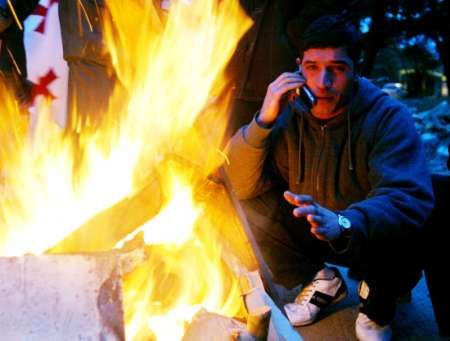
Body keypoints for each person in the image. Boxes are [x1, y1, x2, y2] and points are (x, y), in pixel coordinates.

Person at [224, 15, 434, 340]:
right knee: (246, 202)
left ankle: (377, 304)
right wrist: (263, 120)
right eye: (311, 67)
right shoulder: (287, 113)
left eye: (337, 68)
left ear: (356, 69)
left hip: (364, 236)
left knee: (414, 221)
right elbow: (240, 184)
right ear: (298, 67)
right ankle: (323, 281)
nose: (322, 81)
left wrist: (344, 222)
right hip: (312, 231)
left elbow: (407, 198)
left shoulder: (388, 117)